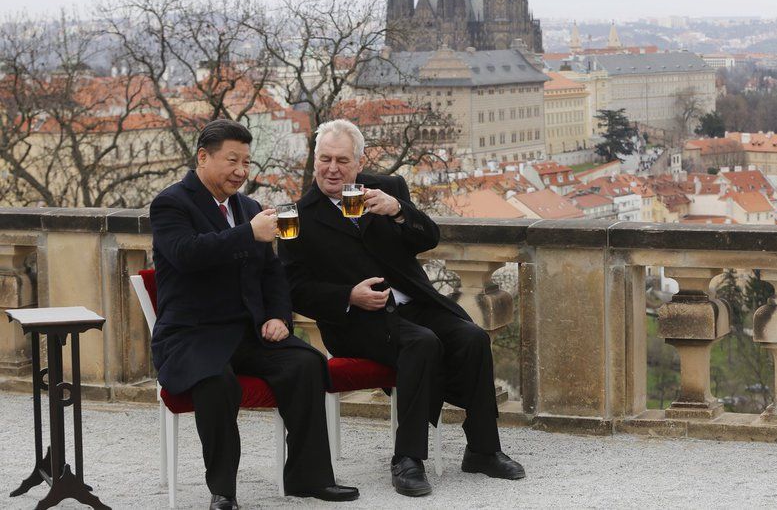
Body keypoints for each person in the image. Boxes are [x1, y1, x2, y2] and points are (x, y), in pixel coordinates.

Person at [278, 119, 525, 498]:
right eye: (324, 159)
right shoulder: (295, 214)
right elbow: (293, 287)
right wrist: (348, 295)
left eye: (342, 160)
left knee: (472, 337)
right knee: (421, 344)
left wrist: (397, 211)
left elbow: (428, 238)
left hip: (414, 305)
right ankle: (407, 459)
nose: (331, 168)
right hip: (356, 320)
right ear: (314, 161)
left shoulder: (388, 189)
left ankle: (482, 449)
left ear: (359, 162)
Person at [150, 119, 358, 509]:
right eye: (232, 161)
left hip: (247, 333)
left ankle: (308, 477)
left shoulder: (247, 207)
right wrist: (249, 234)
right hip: (191, 335)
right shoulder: (171, 203)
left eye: (247, 162)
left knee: (307, 363)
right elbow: (186, 254)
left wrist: (279, 315)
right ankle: (223, 491)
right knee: (216, 382)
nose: (242, 172)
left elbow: (271, 273)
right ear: (202, 157)